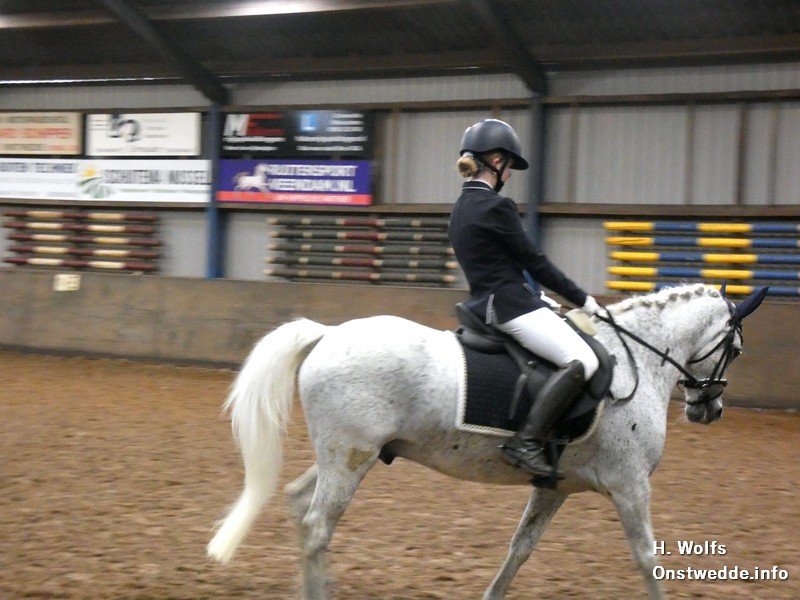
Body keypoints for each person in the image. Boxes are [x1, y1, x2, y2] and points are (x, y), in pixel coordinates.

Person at [448, 118, 600, 479]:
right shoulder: (496, 206)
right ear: (496, 161)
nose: (510, 175)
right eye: (510, 166)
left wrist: (540, 298)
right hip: (508, 306)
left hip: (485, 304)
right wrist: (583, 300)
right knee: (583, 360)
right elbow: (535, 262)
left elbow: (496, 267)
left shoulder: (460, 207)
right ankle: (526, 442)